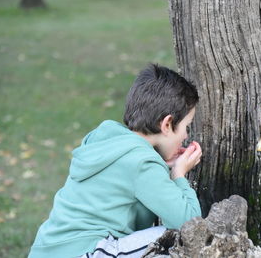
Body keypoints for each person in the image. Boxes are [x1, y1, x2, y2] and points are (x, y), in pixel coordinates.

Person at [28, 64, 202, 258]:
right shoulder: (142, 164)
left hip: (48, 249)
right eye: (187, 126)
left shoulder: (107, 140)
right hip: (85, 252)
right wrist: (178, 175)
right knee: (174, 238)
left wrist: (160, 164)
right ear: (167, 124)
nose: (186, 135)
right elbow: (190, 223)